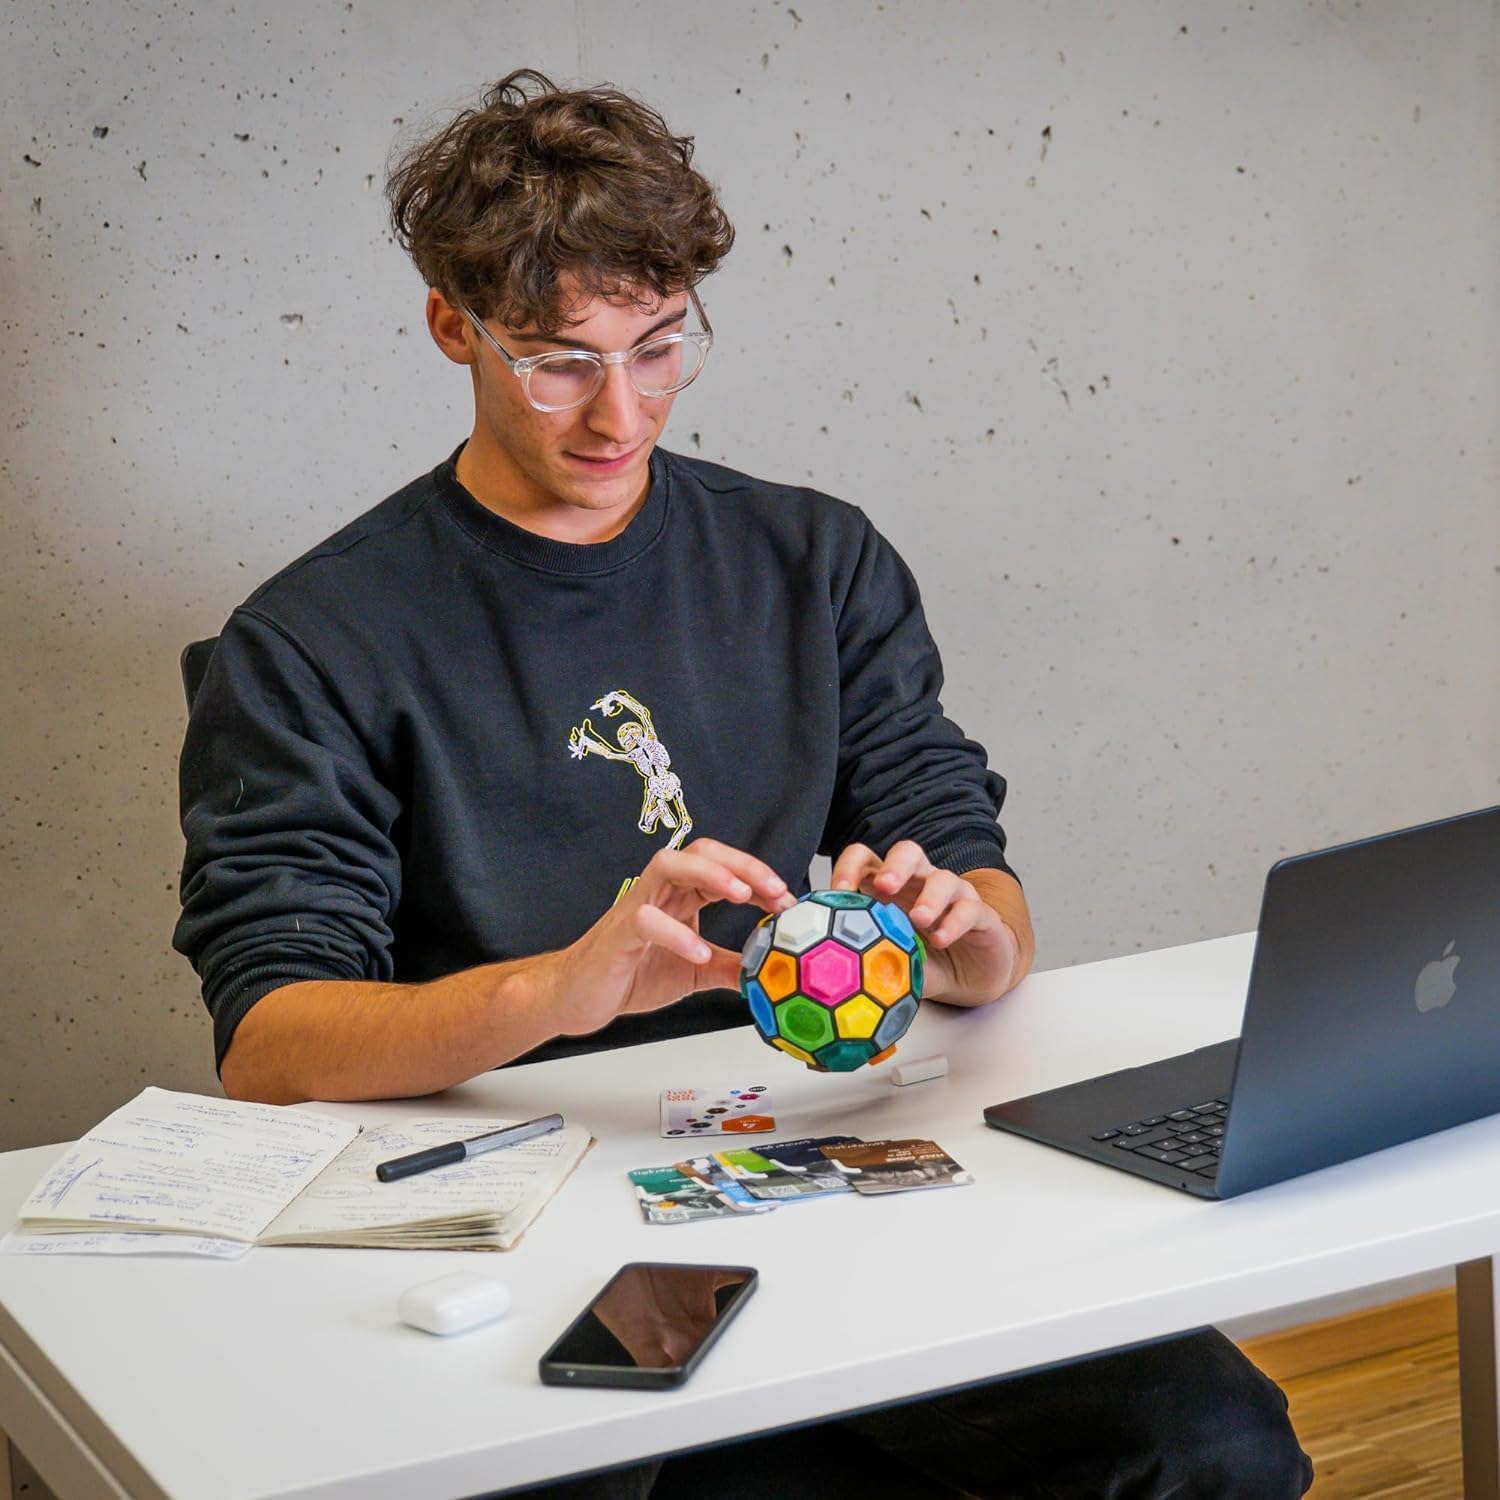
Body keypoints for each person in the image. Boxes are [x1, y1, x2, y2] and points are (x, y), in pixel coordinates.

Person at [174, 69, 1312, 1499]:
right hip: (541, 1219)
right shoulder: (316, 640)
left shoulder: (815, 560)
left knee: (1212, 1445)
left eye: (659, 347)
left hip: (835, 1173)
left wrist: (975, 942)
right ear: (452, 325)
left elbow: (961, 845)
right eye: (557, 358)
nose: (619, 413)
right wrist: (566, 990)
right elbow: (270, 1044)